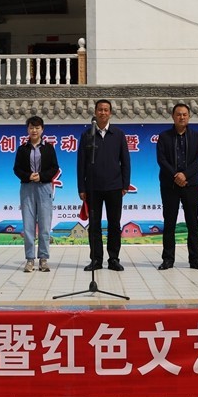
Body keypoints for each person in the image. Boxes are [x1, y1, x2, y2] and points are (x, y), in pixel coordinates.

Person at [77, 99, 131, 271]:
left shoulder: (118, 134)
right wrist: (81, 187)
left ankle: (113, 259)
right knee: (94, 225)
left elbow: (125, 161)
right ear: (95, 112)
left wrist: (125, 184)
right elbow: (81, 163)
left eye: (106, 110)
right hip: (93, 188)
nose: (103, 113)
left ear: (110, 113)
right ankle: (96, 260)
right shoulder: (87, 135)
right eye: (100, 109)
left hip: (114, 186)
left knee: (114, 224)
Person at [156, 103, 198, 270]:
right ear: (173, 116)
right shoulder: (164, 136)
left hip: (190, 184)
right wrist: (175, 175)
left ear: (189, 116)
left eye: (184, 114)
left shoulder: (196, 136)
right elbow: (161, 160)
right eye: (178, 114)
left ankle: (195, 259)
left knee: (193, 223)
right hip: (169, 185)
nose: (181, 117)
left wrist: (185, 175)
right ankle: (168, 259)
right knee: (169, 222)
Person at [12, 116, 60, 273]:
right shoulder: (22, 149)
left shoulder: (49, 148)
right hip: (27, 188)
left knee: (45, 225)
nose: (34, 130)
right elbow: (16, 169)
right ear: (28, 129)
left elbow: (54, 168)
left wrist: (41, 176)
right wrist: (28, 176)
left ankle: (43, 259)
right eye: (31, 127)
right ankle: (30, 259)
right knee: (28, 225)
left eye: (37, 127)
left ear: (42, 130)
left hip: (44, 187)